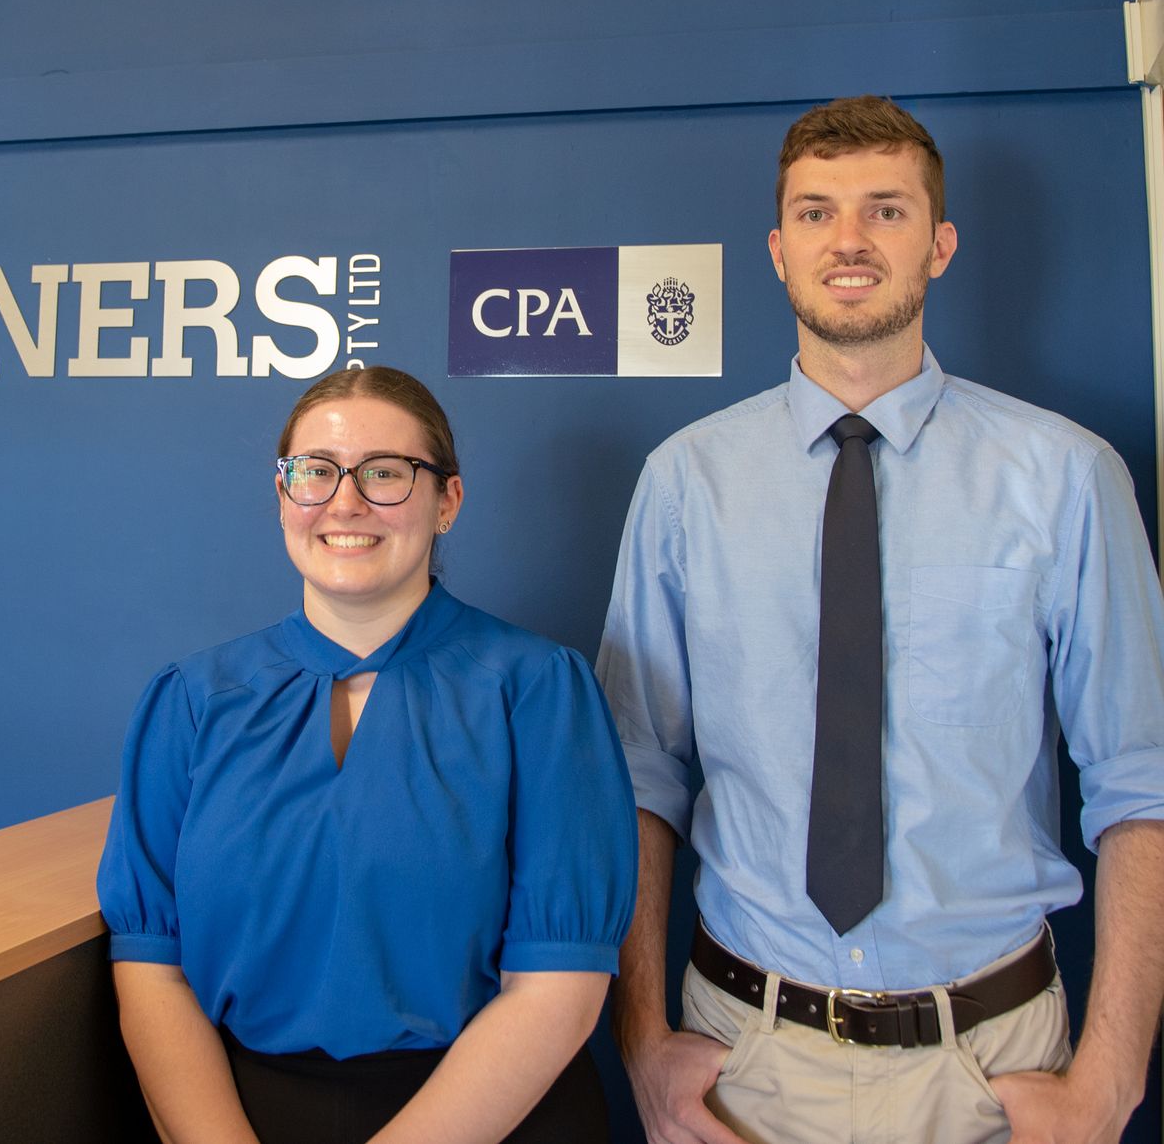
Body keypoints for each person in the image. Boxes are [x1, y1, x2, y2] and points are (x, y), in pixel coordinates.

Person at [599, 95, 1164, 1144]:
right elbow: (639, 777)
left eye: (886, 212)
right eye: (816, 213)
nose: (848, 240)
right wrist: (640, 1037)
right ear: (777, 249)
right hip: (745, 1061)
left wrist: (1113, 1077)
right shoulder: (684, 483)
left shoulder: (1068, 477)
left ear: (940, 244)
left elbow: (1144, 782)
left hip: (996, 1069)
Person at [97, 365, 638, 1144]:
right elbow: (152, 967)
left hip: (492, 1115)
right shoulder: (190, 701)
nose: (344, 503)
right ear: (282, 494)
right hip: (239, 1116)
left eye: (385, 473)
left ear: (447, 501)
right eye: (314, 472)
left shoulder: (539, 692)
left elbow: (557, 991)